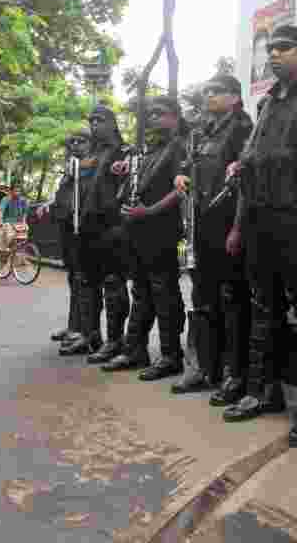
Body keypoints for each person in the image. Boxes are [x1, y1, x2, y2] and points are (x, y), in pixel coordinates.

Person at [221, 24, 297, 449]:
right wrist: (239, 224)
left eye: (284, 48)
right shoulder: (267, 104)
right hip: (260, 219)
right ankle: (264, 391)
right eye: (270, 49)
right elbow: (250, 164)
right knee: (263, 307)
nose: (274, 55)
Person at [172, 73, 254, 400]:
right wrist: (180, 174)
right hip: (200, 226)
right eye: (206, 92)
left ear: (234, 96)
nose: (209, 97)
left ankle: (236, 374)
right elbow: (187, 164)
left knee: (233, 300)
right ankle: (205, 367)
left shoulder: (243, 129)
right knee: (203, 298)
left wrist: (237, 227)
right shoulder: (202, 131)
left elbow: (246, 179)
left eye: (216, 92)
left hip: (229, 225)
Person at [106, 95, 189, 381]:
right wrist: (126, 171)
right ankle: (135, 349)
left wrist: (148, 211)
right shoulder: (151, 149)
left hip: (162, 232)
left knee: (163, 293)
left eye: (160, 113)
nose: (153, 117)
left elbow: (181, 190)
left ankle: (170, 355)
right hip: (140, 232)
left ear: (175, 117)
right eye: (150, 113)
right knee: (141, 291)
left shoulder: (179, 146)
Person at [62, 105, 133, 358]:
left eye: (99, 120)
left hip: (112, 228)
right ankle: (90, 336)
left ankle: (114, 341)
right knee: (86, 283)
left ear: (112, 123)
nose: (94, 125)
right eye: (91, 120)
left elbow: (128, 188)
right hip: (86, 228)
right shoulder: (89, 155)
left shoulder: (125, 153)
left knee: (113, 284)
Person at [40, 128, 92, 347]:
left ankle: (85, 330)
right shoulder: (71, 170)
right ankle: (74, 326)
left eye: (81, 141)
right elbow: (64, 195)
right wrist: (50, 204)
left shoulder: (90, 167)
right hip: (68, 228)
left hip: (84, 231)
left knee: (83, 279)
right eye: (72, 142)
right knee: (73, 278)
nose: (75, 145)